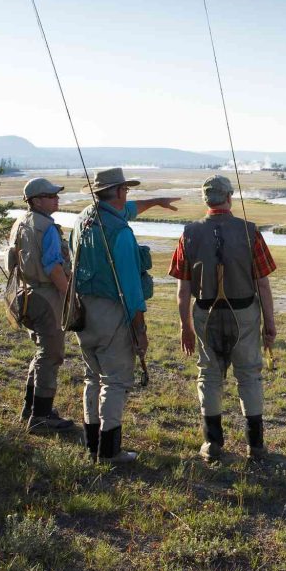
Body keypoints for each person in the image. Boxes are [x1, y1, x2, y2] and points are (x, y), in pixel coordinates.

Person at [71, 167, 180, 463]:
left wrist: (157, 201)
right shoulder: (120, 233)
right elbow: (131, 289)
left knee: (92, 377)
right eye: (125, 190)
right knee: (115, 381)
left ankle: (92, 444)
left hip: (82, 311)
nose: (127, 196)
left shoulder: (84, 219)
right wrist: (139, 330)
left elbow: (128, 210)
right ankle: (109, 451)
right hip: (112, 313)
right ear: (118, 192)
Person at [169, 175, 278, 462]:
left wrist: (185, 326)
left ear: (206, 200)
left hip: (205, 313)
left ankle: (212, 444)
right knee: (249, 375)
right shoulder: (250, 232)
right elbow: (263, 284)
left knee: (209, 374)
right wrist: (270, 324)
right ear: (229, 197)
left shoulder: (189, 233)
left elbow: (182, 289)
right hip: (244, 313)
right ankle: (255, 446)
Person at [6, 177, 73, 432]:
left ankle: (30, 408)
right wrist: (69, 295)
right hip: (46, 297)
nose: (57, 198)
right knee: (51, 354)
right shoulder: (47, 227)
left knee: (41, 351)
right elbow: (53, 267)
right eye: (51, 195)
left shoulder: (20, 223)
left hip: (24, 295)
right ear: (36, 201)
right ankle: (42, 417)